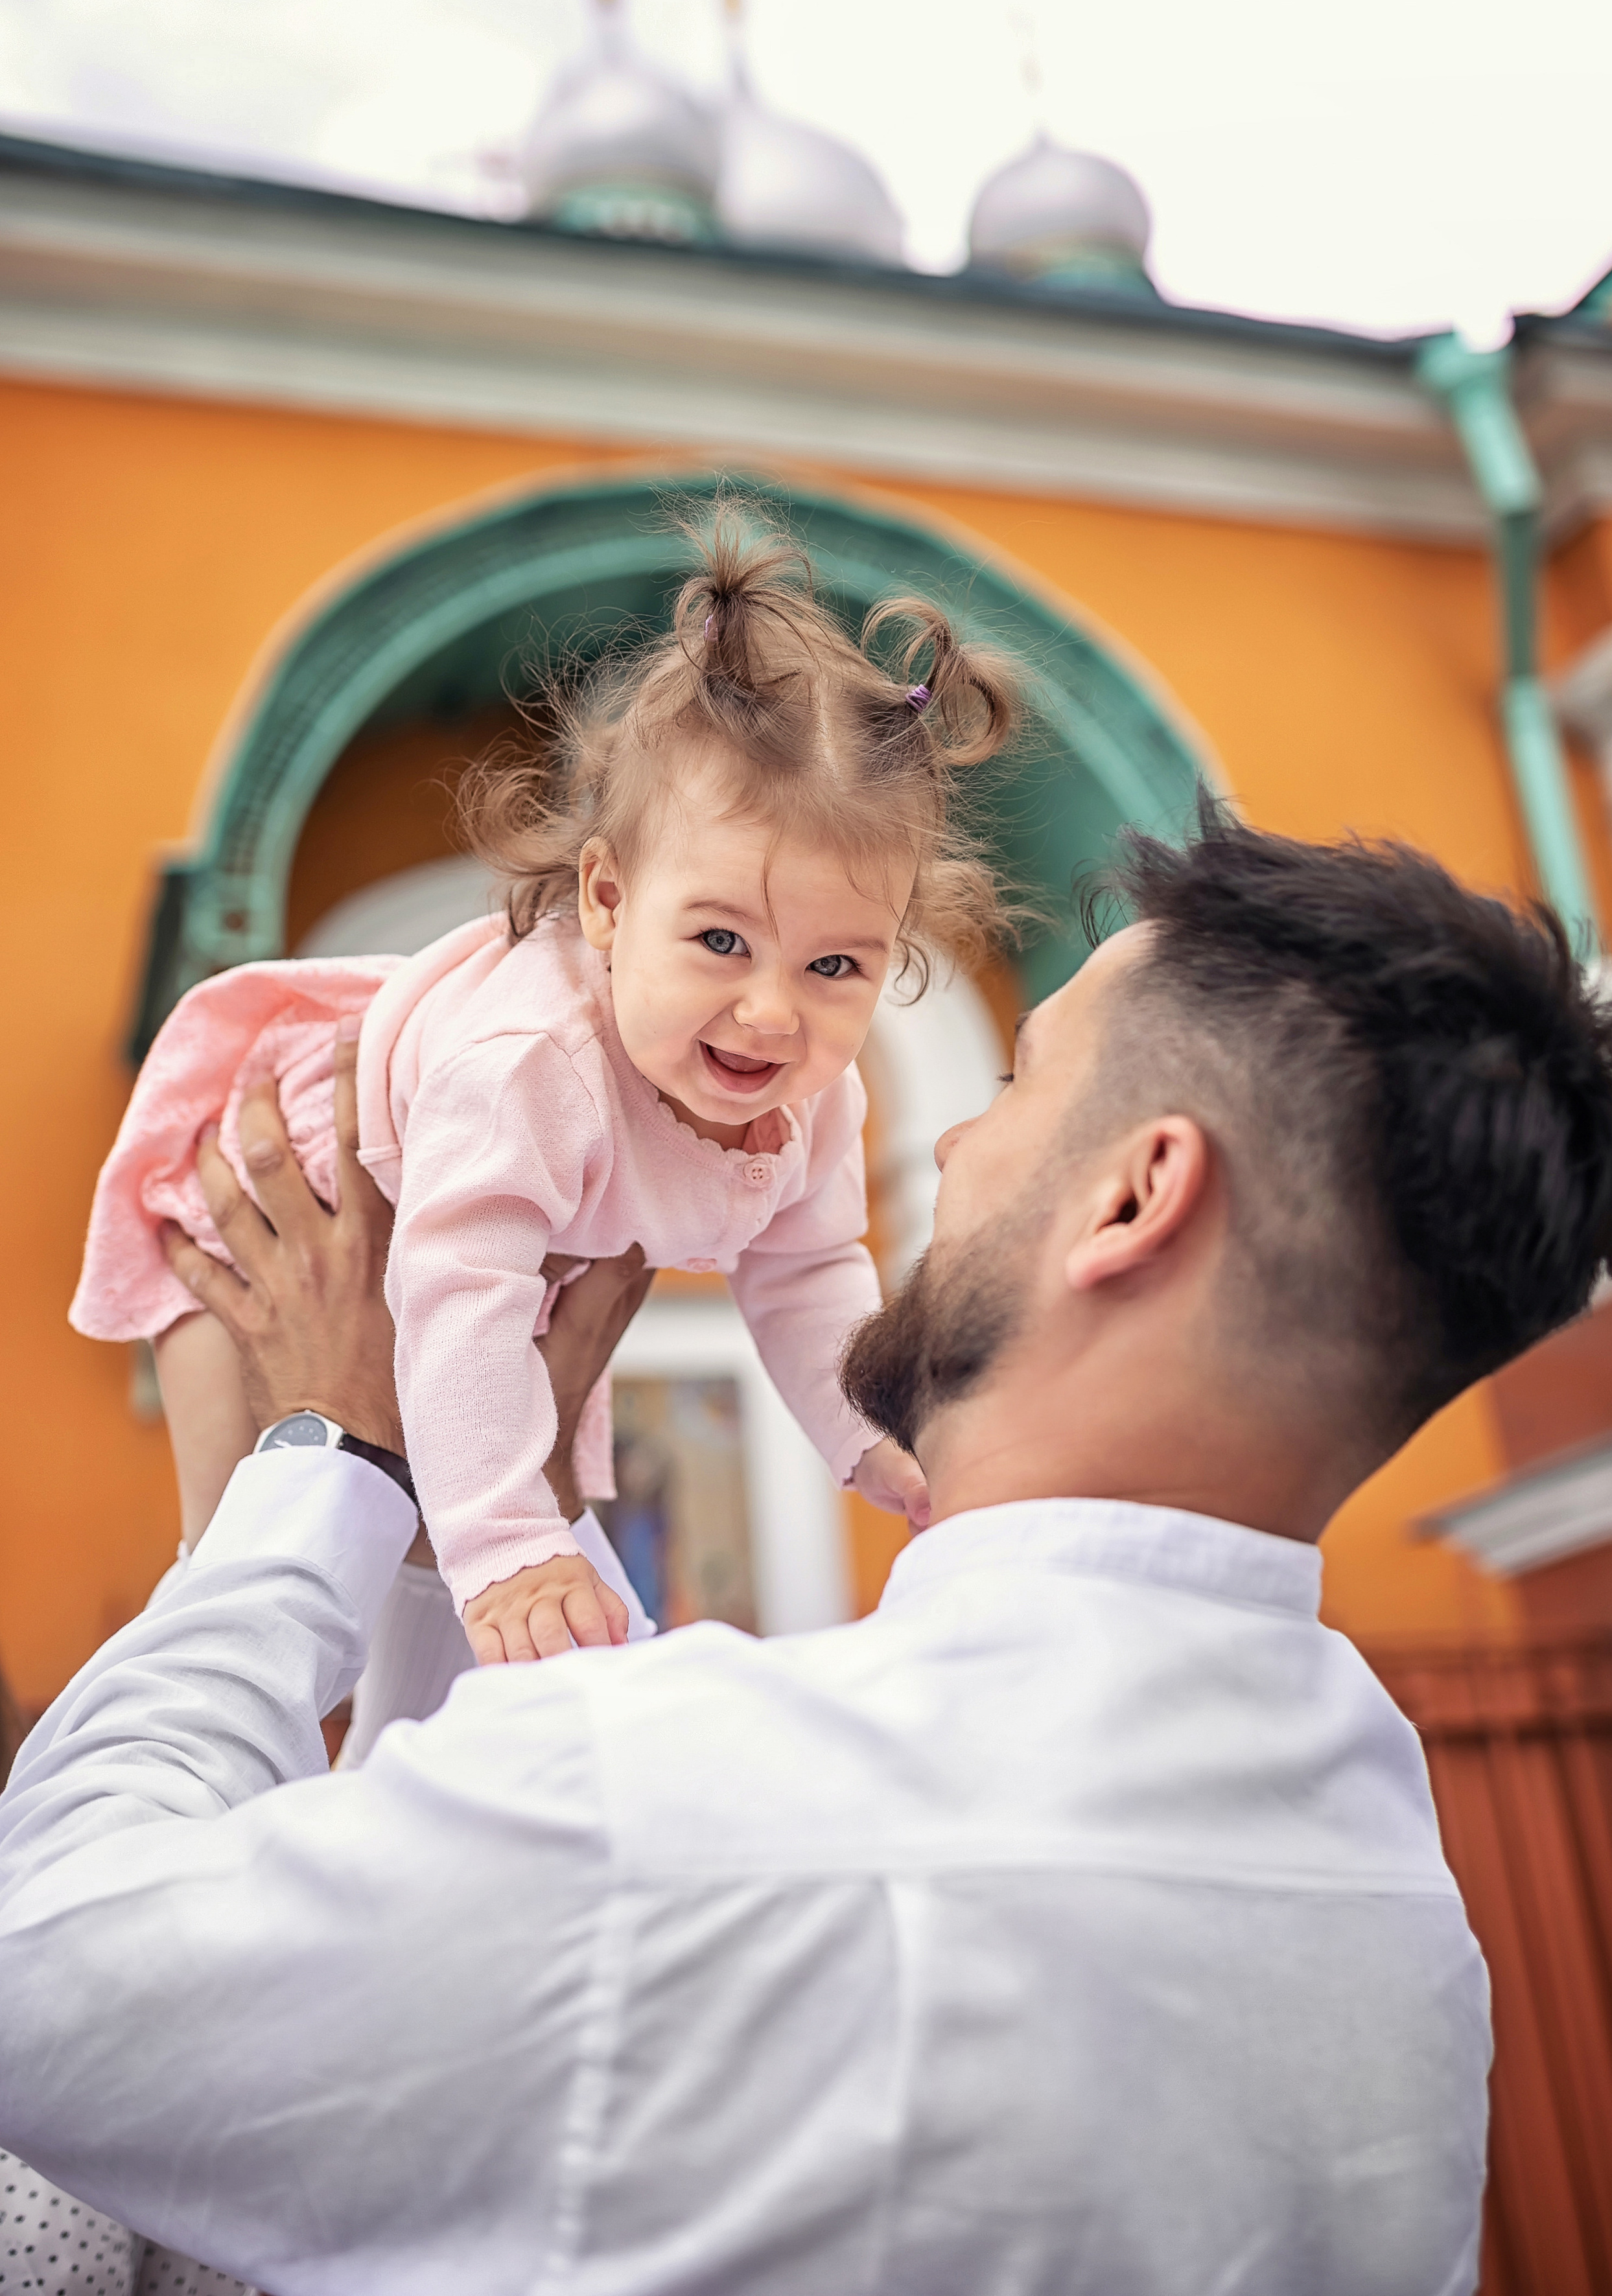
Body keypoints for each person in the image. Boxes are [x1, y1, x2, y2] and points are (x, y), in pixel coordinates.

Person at [4, 801, 1612, 2294]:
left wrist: (331, 1457)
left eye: (1017, 1088)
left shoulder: (672, 1812)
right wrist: (460, 1542)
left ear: (1133, 1199)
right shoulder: (1406, 1958)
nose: (943, 1144)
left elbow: (49, 1983)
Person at [69, 515, 1018, 1665]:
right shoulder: (535, 1064)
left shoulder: (813, 1095)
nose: (774, 1012)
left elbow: (810, 1271)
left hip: (491, 1253)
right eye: (721, 940)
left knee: (418, 1551)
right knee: (238, 1558)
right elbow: (461, 1287)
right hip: (292, 1178)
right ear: (608, 904)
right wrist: (512, 1542)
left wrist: (874, 1437)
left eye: (834, 966)